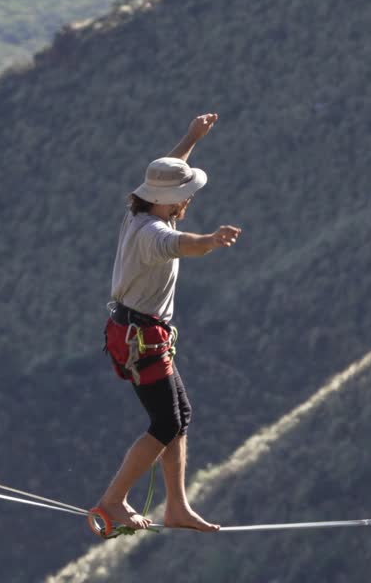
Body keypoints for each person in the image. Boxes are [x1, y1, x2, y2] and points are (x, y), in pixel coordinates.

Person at [90, 113, 241, 535]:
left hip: (143, 334)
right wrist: (208, 241)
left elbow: (166, 171)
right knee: (166, 423)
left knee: (180, 415)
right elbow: (179, 245)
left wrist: (191, 137)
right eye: (185, 194)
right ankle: (113, 500)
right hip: (139, 338)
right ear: (168, 198)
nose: (189, 201)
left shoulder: (139, 212)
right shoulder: (152, 233)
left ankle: (176, 506)